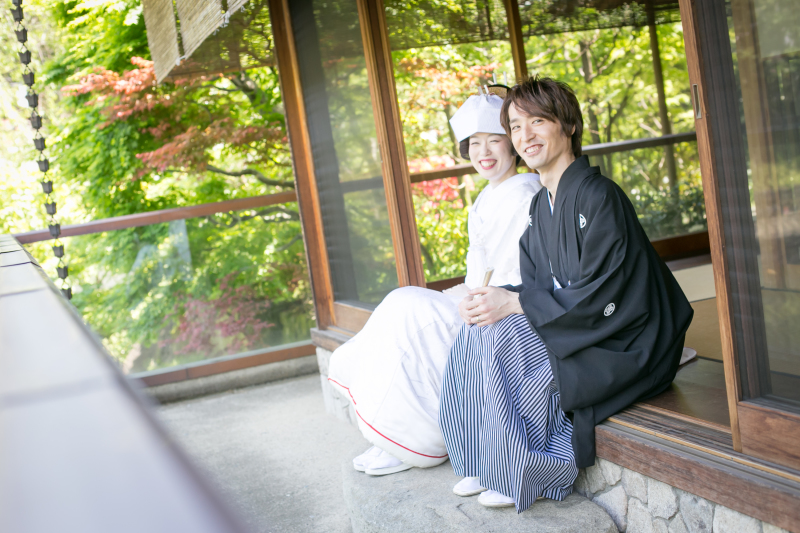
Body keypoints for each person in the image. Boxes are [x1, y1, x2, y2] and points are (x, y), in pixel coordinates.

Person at [438, 76, 694, 511]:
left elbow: (606, 293)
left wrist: (517, 304)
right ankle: (489, 462)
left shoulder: (599, 196)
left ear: (568, 125)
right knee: (479, 327)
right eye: (516, 127)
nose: (526, 136)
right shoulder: (543, 205)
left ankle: (534, 469)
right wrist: (495, 298)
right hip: (583, 326)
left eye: (538, 121)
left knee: (508, 339)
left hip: (628, 340)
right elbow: (535, 286)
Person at [327, 87, 543, 476]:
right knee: (401, 304)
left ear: (512, 145)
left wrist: (472, 298)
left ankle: (410, 444)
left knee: (410, 310)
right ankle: (388, 436)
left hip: (504, 307)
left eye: (494, 141)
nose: (484, 152)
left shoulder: (522, 192)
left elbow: (513, 273)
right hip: (478, 297)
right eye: (474, 144)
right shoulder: (485, 198)